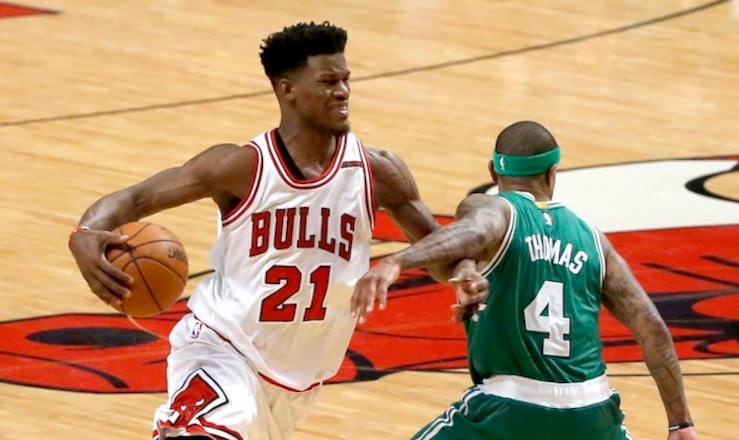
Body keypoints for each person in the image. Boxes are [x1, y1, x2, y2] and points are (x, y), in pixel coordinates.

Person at [68, 21, 461, 440]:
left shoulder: (378, 172)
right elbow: (134, 199)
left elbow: (443, 257)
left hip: (295, 385)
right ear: (288, 90)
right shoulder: (242, 167)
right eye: (328, 82)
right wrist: (84, 233)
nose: (343, 91)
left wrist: (467, 275)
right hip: (221, 351)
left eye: (346, 80)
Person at [352, 120, 698, 439]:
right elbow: (651, 327)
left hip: (511, 406)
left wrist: (398, 261)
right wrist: (680, 422)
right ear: (552, 174)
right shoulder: (595, 242)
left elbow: (475, 232)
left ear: (493, 172)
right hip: (594, 410)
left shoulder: (494, 208)